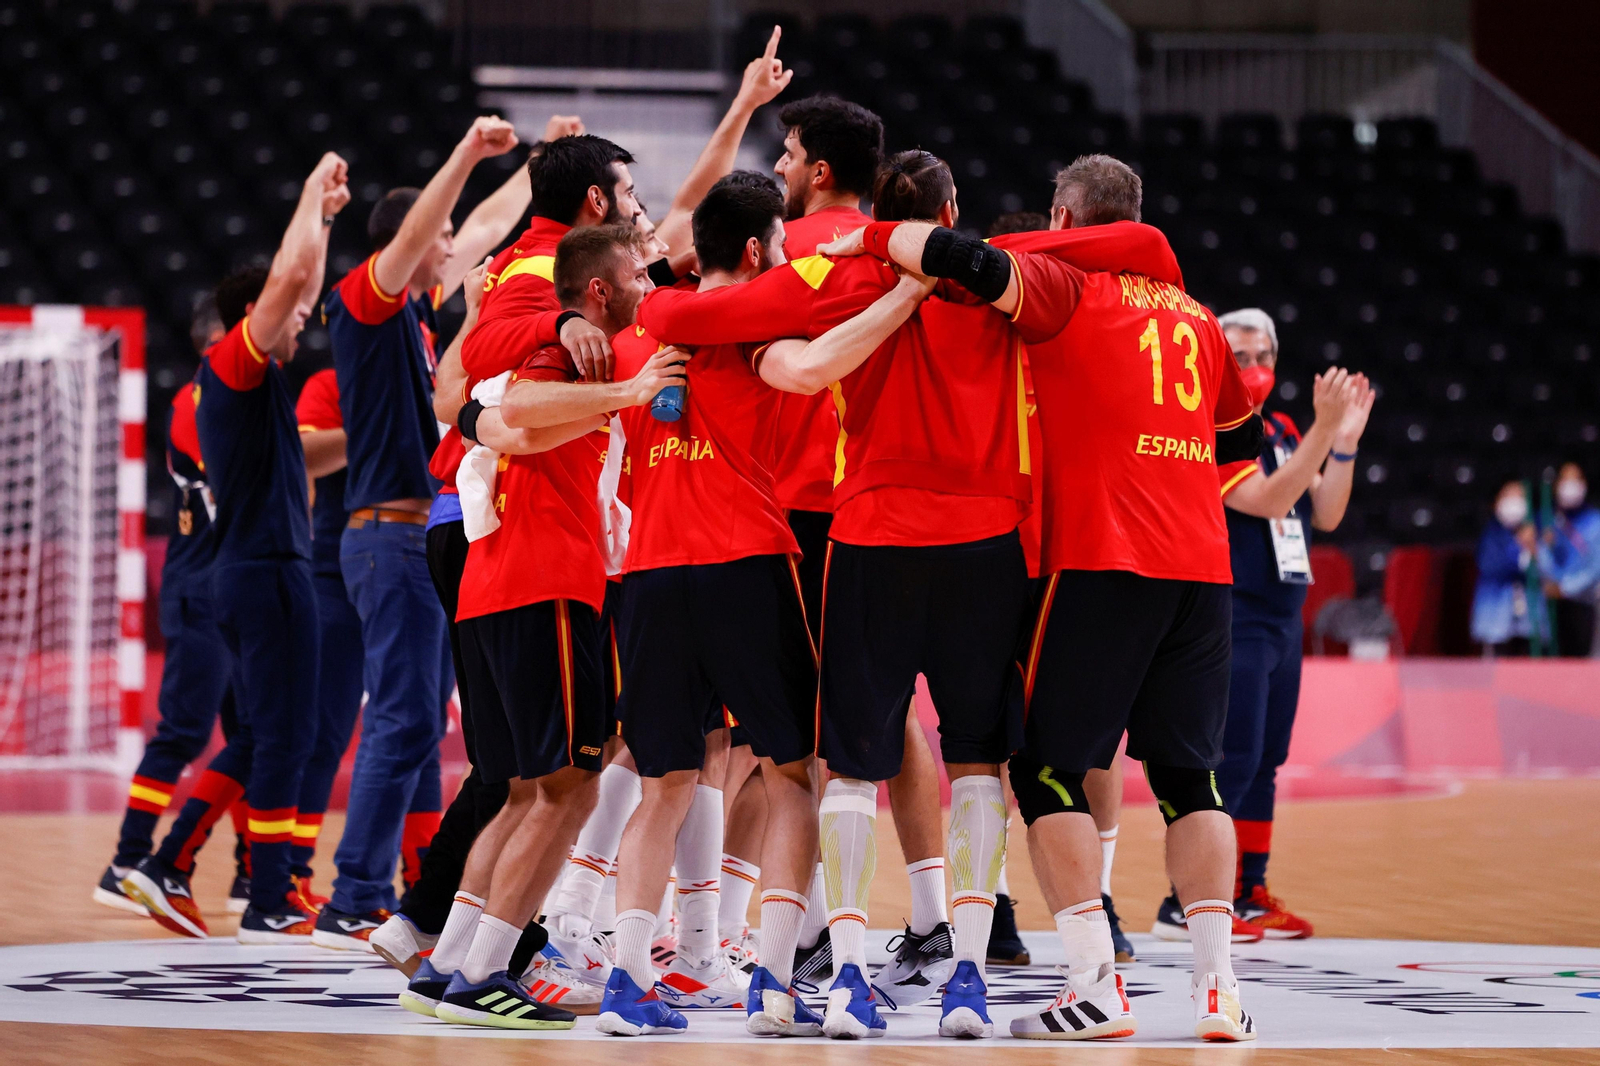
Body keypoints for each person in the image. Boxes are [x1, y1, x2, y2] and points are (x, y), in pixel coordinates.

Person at [639, 150, 1084, 1040]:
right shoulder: (1011, 280)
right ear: (952, 209)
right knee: (975, 766)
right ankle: (965, 976)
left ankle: (844, 976)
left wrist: (654, 283)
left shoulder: (839, 277)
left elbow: (701, 311)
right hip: (986, 542)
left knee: (848, 768)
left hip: (871, 537)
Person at [879, 153, 1264, 1041]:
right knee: (1190, 780)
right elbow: (1235, 441)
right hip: (1201, 570)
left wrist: (877, 238)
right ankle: (1218, 992)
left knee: (1046, 770)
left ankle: (1093, 980)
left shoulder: (1066, 287)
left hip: (1100, 558)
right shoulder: (1200, 319)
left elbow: (963, 261)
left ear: (1063, 217)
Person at [401, 225, 686, 1030]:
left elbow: (481, 410)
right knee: (569, 786)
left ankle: (448, 960)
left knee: (525, 792)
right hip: (546, 582)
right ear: (599, 288)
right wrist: (630, 396)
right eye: (637, 269)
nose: (647, 278)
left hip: (497, 587)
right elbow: (518, 407)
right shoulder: (583, 351)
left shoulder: (553, 346)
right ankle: (488, 972)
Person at [316, 116, 530, 946]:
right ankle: (353, 894)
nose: (450, 244)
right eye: (434, 236)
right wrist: (469, 154)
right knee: (404, 718)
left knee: (417, 719)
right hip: (389, 535)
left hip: (408, 540)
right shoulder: (367, 310)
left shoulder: (414, 321)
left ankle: (390, 884)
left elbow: (475, 231)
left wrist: (533, 171)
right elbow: (424, 235)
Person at [128, 153, 351, 943]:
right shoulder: (234, 366)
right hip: (263, 572)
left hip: (256, 571)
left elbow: (301, 288)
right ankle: (261, 895)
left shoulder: (262, 394)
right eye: (291, 314)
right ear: (256, 315)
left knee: (265, 733)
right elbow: (290, 278)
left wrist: (376, 435)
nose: (305, 319)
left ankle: (174, 863)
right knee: (283, 735)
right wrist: (310, 205)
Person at [768, 93, 954, 1005]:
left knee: (801, 737)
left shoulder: (784, 251)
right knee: (891, 715)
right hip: (873, 506)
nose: (780, 164)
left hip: (788, 510)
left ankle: (805, 937)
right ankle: (929, 920)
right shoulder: (902, 249)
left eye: (789, 149)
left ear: (821, 170)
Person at [1164, 307, 1371, 942]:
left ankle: (1248, 890)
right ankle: (1187, 900)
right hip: (1232, 611)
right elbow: (1269, 499)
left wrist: (1344, 443)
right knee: (1233, 756)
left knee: (1268, 759)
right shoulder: (1206, 424)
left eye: (1261, 357)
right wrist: (1324, 431)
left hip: (1283, 617)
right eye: (1240, 357)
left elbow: (1327, 514)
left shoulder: (1282, 427)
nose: (1252, 369)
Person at [95, 298, 239, 925]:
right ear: (222, 337)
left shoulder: (226, 395)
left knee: (252, 736)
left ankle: (254, 878)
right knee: (184, 730)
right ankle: (127, 861)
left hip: (227, 588)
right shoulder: (200, 398)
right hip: (202, 588)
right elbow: (236, 477)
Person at [1472, 479, 1556, 655]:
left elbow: (1552, 572)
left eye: (1519, 496)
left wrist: (1536, 548)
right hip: (1497, 624)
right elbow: (1491, 566)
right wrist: (1520, 545)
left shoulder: (1538, 532)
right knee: (1501, 674)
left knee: (1532, 675)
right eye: (1508, 495)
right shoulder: (1490, 533)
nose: (1514, 501)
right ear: (1496, 503)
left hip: (1531, 623)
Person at [1547, 462, 1600, 657]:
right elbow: (1543, 563)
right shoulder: (1548, 519)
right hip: (1551, 603)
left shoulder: (1595, 521)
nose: (1570, 484)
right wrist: (1545, 547)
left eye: (1576, 478)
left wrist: (1565, 589)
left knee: (1580, 662)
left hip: (1584, 603)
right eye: (1565, 478)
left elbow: (1595, 569)